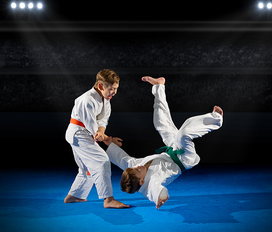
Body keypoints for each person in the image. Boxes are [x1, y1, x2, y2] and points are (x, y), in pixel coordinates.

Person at [104, 76, 223, 209]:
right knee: (183, 135)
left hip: (172, 148)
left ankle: (158, 86)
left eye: (133, 168)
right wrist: (160, 197)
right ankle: (216, 119)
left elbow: (122, 160)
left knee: (160, 124)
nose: (137, 166)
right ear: (142, 181)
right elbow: (154, 191)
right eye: (137, 170)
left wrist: (110, 144)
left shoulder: (136, 167)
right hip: (184, 159)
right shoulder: (150, 184)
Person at [64, 69, 129, 208]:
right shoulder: (86, 100)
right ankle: (108, 199)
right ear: (101, 86)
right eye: (111, 89)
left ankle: (75, 196)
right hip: (79, 134)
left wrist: (103, 135)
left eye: (116, 88)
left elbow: (102, 123)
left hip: (84, 134)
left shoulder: (106, 100)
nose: (114, 92)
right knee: (101, 160)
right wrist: (109, 139)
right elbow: (93, 128)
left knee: (87, 168)